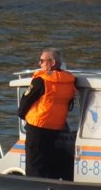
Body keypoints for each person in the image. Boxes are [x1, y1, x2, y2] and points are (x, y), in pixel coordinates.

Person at [17, 48, 77, 180]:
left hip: (37, 126)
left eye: (42, 61)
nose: (40, 64)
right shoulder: (70, 81)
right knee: (49, 161)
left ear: (53, 62)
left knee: (34, 164)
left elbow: (25, 101)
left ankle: (34, 189)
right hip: (56, 127)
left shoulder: (41, 80)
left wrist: (22, 116)